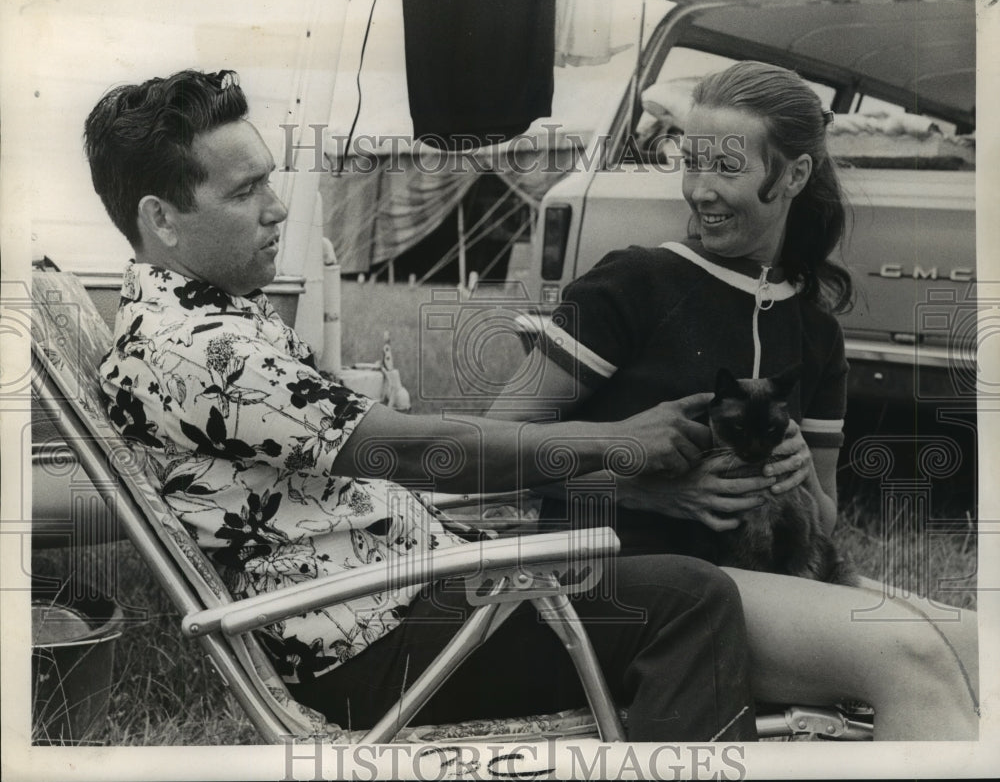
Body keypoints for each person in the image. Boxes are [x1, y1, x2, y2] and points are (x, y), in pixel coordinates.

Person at [83, 68, 756, 742]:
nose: (276, 208)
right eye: (245, 191)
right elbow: (418, 453)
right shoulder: (195, 350)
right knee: (690, 601)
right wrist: (618, 441)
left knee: (663, 576)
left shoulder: (201, 324)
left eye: (268, 180)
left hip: (406, 599)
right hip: (380, 646)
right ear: (161, 218)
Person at [488, 61, 980, 740]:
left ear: (794, 178)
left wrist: (801, 478)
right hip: (625, 582)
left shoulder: (814, 332)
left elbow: (827, 518)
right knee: (912, 656)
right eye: (690, 163)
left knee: (984, 646)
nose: (700, 190)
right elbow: (483, 453)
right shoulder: (633, 285)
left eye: (725, 168)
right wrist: (648, 490)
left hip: (760, 582)